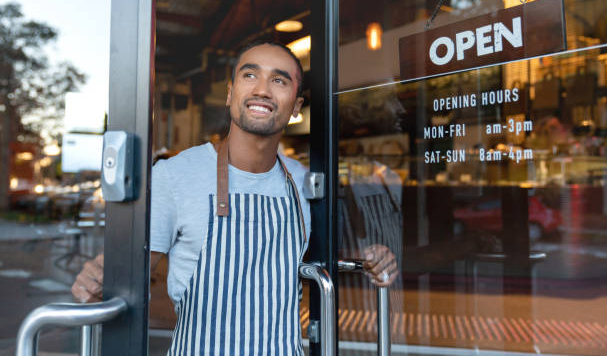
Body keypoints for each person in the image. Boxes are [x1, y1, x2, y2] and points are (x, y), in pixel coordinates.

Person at [72, 41, 398, 354]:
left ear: (296, 107)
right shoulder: (175, 175)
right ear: (230, 94)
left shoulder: (304, 181)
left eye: (279, 80)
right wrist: (99, 278)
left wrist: (373, 259)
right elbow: (134, 269)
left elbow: (326, 257)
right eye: (250, 75)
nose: (262, 90)